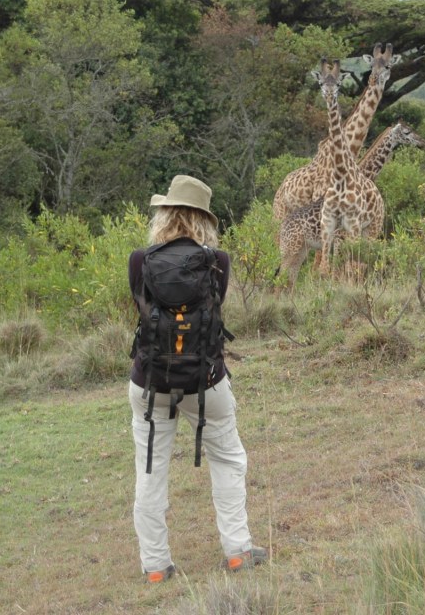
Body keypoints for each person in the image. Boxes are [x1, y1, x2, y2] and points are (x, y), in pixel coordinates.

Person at [128, 174, 267, 584]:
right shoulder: (218, 261)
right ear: (203, 219)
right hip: (205, 383)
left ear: (165, 213)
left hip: (150, 382)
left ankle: (155, 567)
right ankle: (238, 550)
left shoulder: (140, 260)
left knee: (150, 471)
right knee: (228, 460)